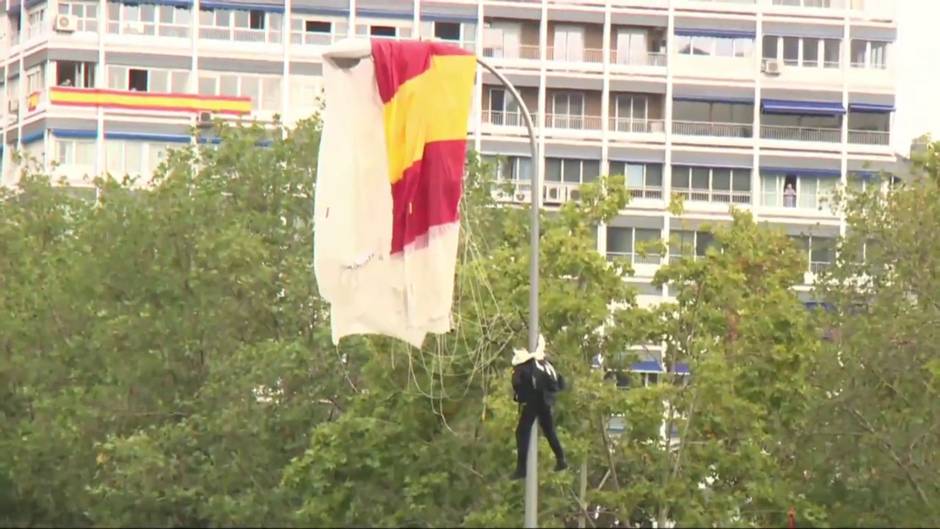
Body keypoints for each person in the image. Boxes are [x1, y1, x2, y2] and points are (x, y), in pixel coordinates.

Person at [511, 335, 567, 480]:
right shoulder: (544, 363)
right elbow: (560, 382)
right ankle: (561, 459)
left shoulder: (524, 367)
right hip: (547, 400)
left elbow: (518, 385)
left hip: (534, 400)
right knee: (549, 431)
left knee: (522, 432)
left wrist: (520, 399)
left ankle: (521, 468)